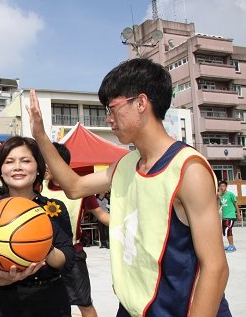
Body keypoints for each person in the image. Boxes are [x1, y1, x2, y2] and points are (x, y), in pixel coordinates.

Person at [27, 58, 231, 316]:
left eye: (112, 108)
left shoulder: (189, 170)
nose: (109, 119)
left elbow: (215, 267)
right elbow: (75, 187)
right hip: (133, 307)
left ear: (141, 103)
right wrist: (41, 136)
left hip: (179, 309)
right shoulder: (125, 164)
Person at [0, 136, 75, 317]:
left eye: (25, 161)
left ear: (38, 168)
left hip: (49, 300)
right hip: (4, 303)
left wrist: (39, 244)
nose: (17, 167)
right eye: (9, 162)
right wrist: (4, 278)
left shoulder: (53, 208)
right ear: (1, 170)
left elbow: (67, 259)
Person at [41, 142, 100, 317]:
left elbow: (102, 215)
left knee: (84, 303)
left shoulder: (81, 188)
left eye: (48, 161)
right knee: (50, 304)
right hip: (44, 256)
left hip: (73, 256)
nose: (43, 166)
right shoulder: (38, 188)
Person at [218, 180, 242, 252]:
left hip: (231, 216)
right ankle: (230, 245)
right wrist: (218, 197)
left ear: (226, 187)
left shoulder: (230, 194)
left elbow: (236, 205)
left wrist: (238, 214)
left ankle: (232, 246)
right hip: (224, 217)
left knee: (228, 230)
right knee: (224, 231)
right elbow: (219, 206)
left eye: (223, 186)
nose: (222, 187)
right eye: (221, 186)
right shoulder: (221, 196)